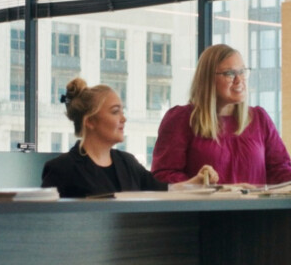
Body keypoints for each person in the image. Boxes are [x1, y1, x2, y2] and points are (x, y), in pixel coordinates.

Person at [152, 44, 291, 187]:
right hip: (203, 214)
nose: (239, 80)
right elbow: (163, 177)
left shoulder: (259, 118)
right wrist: (197, 184)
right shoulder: (181, 119)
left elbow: (279, 171)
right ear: (208, 78)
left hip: (255, 214)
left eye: (242, 72)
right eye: (230, 73)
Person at [41, 78, 192, 198]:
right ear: (90, 121)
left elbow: (164, 190)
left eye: (122, 111)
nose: (123, 119)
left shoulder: (128, 162)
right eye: (115, 112)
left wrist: (196, 183)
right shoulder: (61, 169)